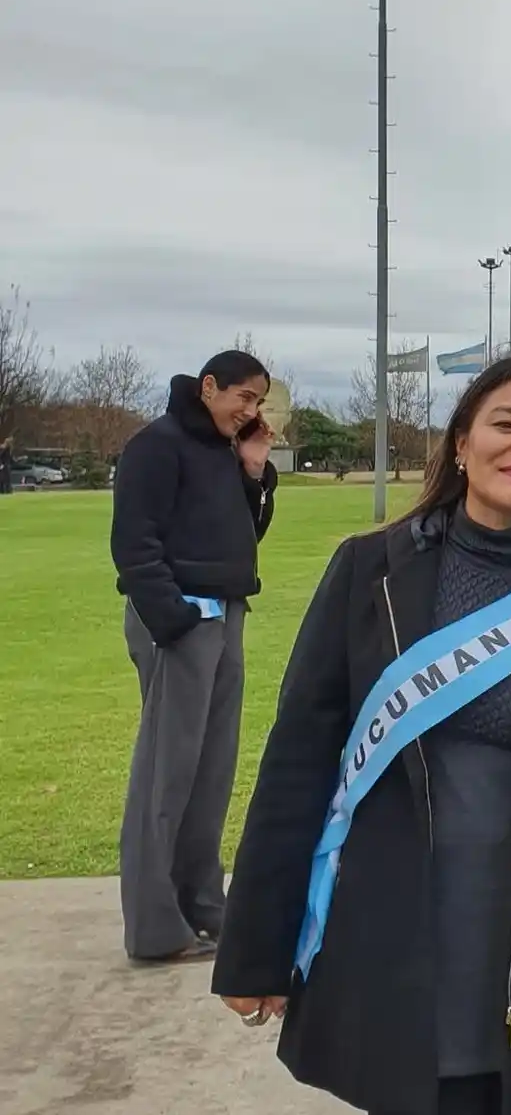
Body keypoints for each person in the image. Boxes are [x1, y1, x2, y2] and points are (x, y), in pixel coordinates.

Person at [212, 355, 511, 1115]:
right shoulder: (368, 572)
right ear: (461, 444)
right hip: (391, 932)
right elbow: (298, 762)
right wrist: (256, 947)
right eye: (507, 424)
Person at [111, 349, 277, 964]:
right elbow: (133, 542)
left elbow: (243, 534)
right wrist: (174, 620)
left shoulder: (226, 452)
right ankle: (155, 929)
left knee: (211, 772)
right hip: (179, 625)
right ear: (210, 387)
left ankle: (203, 905)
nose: (251, 411)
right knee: (165, 775)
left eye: (259, 401)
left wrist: (254, 471)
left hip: (226, 617)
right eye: (244, 398)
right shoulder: (155, 446)